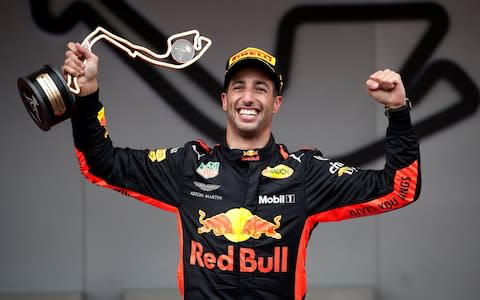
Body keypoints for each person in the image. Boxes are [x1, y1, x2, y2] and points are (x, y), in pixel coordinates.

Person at [63, 43, 421, 300]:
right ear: (224, 100)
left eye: (261, 89)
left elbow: (399, 188)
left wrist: (398, 112)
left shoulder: (306, 173)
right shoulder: (188, 166)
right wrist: (88, 93)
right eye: (238, 87)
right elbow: (100, 164)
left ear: (276, 104)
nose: (248, 97)